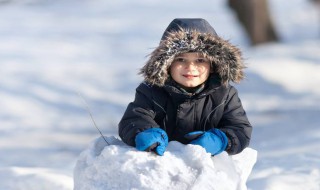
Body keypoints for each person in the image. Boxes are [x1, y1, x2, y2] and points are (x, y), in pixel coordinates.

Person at [118, 18, 252, 156]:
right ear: (167, 64)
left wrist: (220, 140)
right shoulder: (150, 91)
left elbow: (239, 128)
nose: (190, 67)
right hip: (159, 164)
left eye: (200, 60)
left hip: (208, 168)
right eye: (181, 59)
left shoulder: (225, 95)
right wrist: (145, 132)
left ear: (213, 66)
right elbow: (134, 119)